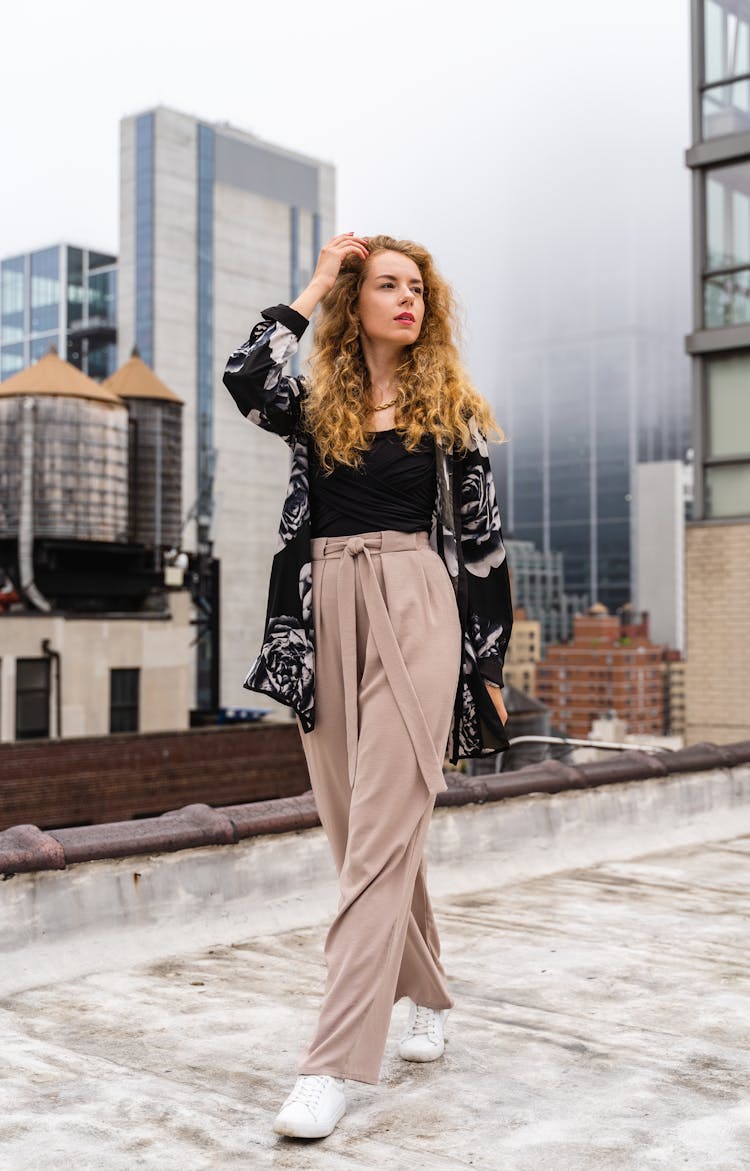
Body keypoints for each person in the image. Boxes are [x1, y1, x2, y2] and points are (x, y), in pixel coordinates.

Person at [223, 232, 513, 1140]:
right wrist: (312, 285)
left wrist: (490, 667)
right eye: (387, 285)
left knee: (384, 832)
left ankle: (330, 1063)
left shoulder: (450, 410)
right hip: (323, 612)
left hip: (418, 606)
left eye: (417, 288)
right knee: (361, 829)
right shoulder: (316, 404)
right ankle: (426, 990)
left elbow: (483, 546)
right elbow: (244, 378)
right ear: (358, 302)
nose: (407, 300)